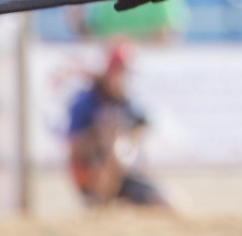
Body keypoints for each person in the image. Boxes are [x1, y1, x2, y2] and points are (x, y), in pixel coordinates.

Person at [67, 43, 169, 207]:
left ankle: (111, 205)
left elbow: (144, 125)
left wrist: (130, 141)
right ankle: (99, 206)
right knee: (113, 147)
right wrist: (99, 134)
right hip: (90, 173)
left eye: (124, 72)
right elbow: (73, 147)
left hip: (124, 173)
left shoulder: (125, 101)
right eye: (117, 71)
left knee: (169, 204)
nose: (120, 77)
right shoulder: (87, 101)